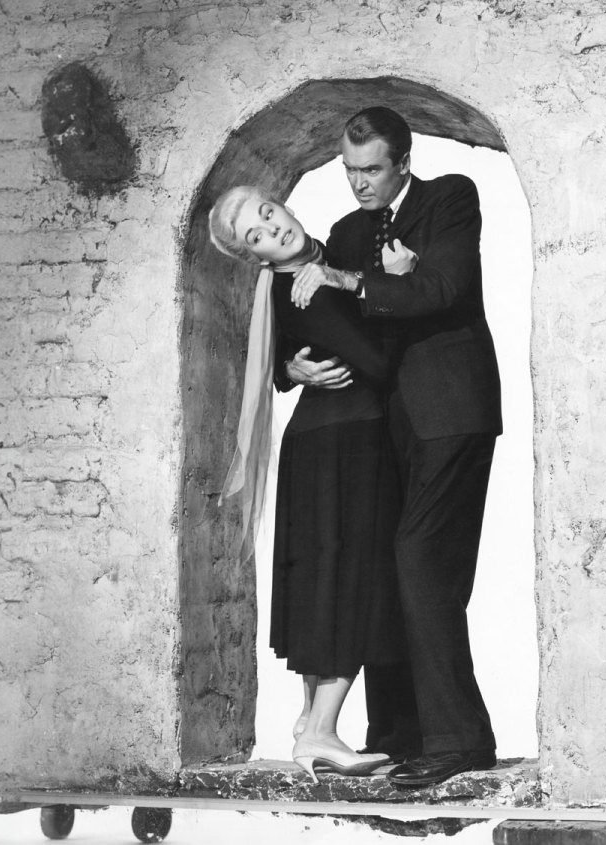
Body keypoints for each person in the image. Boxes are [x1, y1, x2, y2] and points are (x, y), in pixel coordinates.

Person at [286, 106, 503, 789]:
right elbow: (318, 313)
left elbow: (445, 288)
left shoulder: (450, 198)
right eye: (349, 170)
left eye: (372, 169)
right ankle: (398, 737)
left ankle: (460, 740)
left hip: (451, 411)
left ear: (403, 163)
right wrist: (288, 366)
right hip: (381, 428)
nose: (359, 183)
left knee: (422, 560)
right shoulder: (347, 232)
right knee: (386, 564)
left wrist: (362, 280)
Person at [209, 186, 417, 780]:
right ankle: (322, 731)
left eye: (268, 214)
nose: (272, 230)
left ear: (283, 206)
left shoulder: (309, 270)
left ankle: (310, 722)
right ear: (255, 255)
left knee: (327, 580)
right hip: (346, 445)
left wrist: (288, 368)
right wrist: (397, 283)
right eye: (256, 236)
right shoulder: (309, 284)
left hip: (323, 443)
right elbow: (378, 364)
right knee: (353, 582)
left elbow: (290, 350)